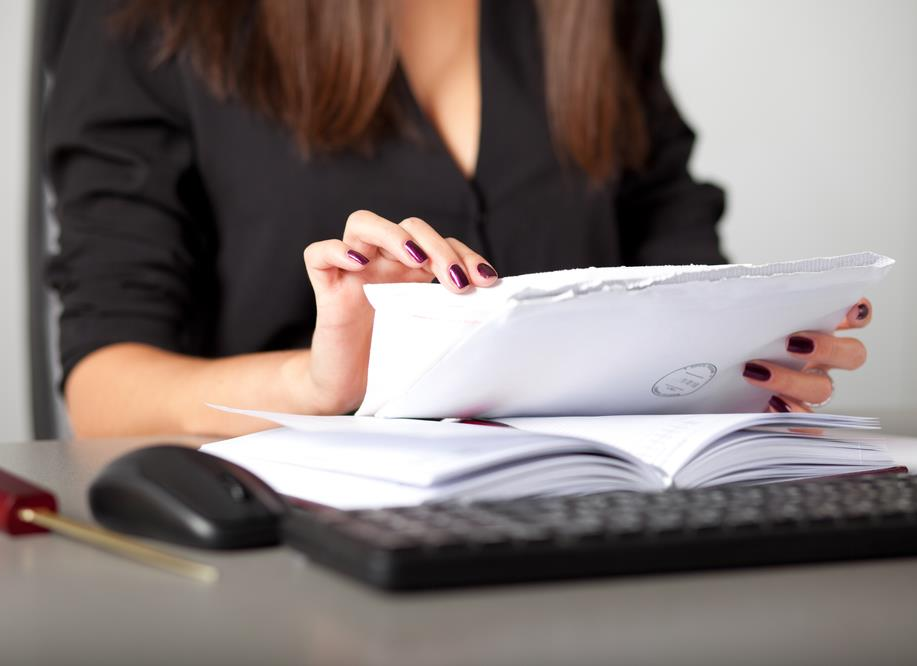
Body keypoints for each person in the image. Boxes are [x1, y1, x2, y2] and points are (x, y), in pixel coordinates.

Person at [43, 0, 871, 438]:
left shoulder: (596, 13)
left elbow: (672, 245)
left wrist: (742, 355)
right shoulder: (151, 17)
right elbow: (104, 392)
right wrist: (319, 384)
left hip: (595, 534)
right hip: (285, 560)